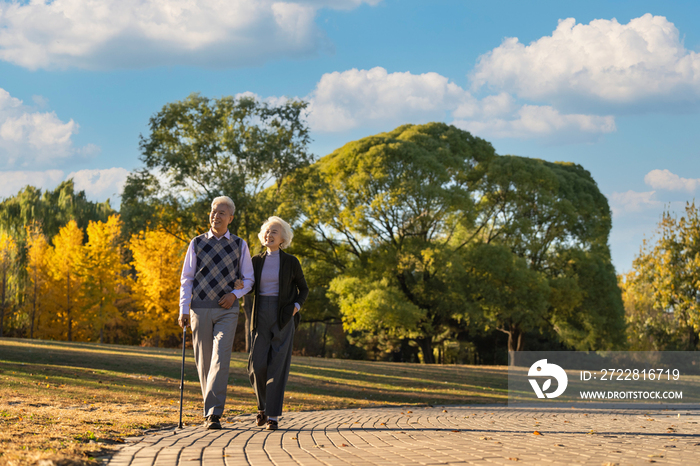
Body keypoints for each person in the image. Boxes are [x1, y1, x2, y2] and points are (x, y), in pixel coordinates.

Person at [178, 196, 254, 430]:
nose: (216, 216)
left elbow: (249, 279)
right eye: (213, 211)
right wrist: (183, 308)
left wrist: (235, 295)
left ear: (230, 218)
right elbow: (187, 278)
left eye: (222, 212)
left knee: (220, 360)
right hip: (199, 310)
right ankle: (210, 408)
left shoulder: (240, 244)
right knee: (204, 363)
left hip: (227, 310)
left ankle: (213, 414)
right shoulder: (197, 243)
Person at [245, 216, 308, 430]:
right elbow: (249, 286)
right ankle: (262, 407)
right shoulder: (256, 260)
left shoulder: (291, 262)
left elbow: (304, 289)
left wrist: (295, 307)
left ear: (283, 238)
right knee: (256, 365)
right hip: (260, 316)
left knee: (277, 367)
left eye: (274, 232)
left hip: (283, 318)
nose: (269, 235)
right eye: (267, 231)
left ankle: (272, 416)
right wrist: (239, 283)